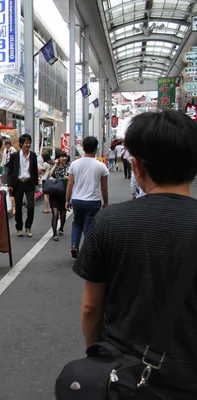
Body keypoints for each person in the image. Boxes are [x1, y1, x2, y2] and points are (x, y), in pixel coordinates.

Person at [72, 110, 197, 399]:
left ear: (137, 166)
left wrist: (96, 356)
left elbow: (91, 308)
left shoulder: (110, 222)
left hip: (125, 376)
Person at [65, 136, 109, 259]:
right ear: (96, 149)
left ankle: (74, 245)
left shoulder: (74, 164)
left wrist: (67, 200)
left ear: (83, 148)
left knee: (77, 223)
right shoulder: (101, 166)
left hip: (77, 200)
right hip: (93, 200)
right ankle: (87, 251)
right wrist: (105, 202)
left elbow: (70, 184)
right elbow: (104, 188)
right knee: (89, 227)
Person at [7, 134, 39, 237]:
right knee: (18, 207)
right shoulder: (15, 156)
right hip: (18, 183)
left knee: (30, 205)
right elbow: (10, 171)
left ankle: (28, 227)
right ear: (21, 144)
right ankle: (19, 228)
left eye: (29, 142)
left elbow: (34, 170)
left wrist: (36, 184)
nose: (28, 145)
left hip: (29, 183)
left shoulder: (33, 155)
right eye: (26, 143)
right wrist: (9, 184)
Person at [48, 151, 69, 241]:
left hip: (64, 193)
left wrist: (68, 178)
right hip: (54, 193)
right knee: (55, 213)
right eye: (62, 157)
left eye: (65, 157)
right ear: (58, 158)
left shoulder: (68, 168)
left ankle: (61, 228)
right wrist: (55, 165)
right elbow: (49, 175)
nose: (64, 158)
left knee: (63, 214)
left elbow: (71, 178)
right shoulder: (55, 167)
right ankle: (54, 234)